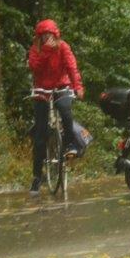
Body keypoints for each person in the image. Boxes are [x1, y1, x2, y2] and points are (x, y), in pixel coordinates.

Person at [27, 19, 84, 195]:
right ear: (39, 37)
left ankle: (69, 145)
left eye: (50, 35)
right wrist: (45, 51)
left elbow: (72, 67)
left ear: (55, 34)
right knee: (40, 134)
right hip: (42, 91)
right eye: (43, 36)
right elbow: (34, 67)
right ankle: (37, 177)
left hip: (61, 86)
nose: (47, 38)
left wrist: (78, 86)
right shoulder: (36, 49)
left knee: (66, 113)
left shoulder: (63, 47)